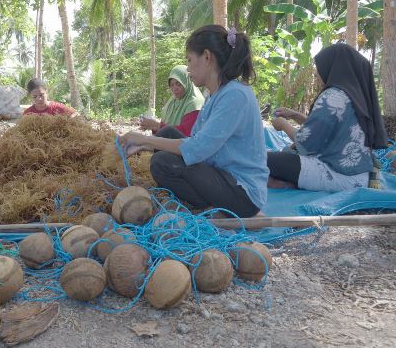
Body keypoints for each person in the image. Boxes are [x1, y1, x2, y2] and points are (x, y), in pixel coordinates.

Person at [119, 25, 268, 218]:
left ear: (207, 57)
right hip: (221, 175)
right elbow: (194, 140)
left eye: (190, 60)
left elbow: (197, 148)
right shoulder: (214, 95)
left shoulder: (235, 95)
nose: (188, 69)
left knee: (162, 162)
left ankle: (207, 207)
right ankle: (206, 203)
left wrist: (143, 140)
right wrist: (141, 146)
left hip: (243, 193)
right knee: (167, 133)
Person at [267, 43, 388, 192]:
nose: (318, 75)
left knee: (264, 160)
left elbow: (306, 144)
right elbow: (331, 127)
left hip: (338, 175)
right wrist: (295, 115)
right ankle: (289, 182)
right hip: (361, 176)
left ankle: (287, 183)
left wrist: (283, 125)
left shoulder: (333, 96)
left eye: (319, 69)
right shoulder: (356, 96)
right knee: (283, 156)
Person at [139, 65, 205, 137]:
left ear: (187, 82)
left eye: (178, 84)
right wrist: (152, 126)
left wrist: (157, 126)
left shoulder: (195, 103)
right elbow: (164, 129)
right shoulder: (171, 102)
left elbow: (187, 134)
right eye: (171, 85)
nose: (174, 88)